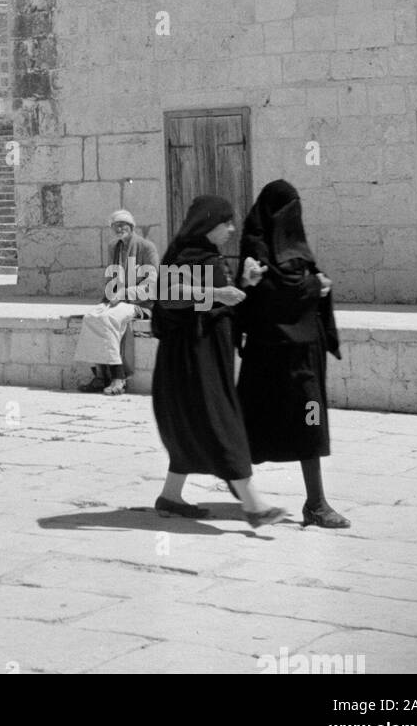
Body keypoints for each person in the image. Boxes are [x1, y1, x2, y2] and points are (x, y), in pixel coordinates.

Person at [150, 194, 286, 527]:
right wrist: (217, 294)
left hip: (207, 357)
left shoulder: (209, 255)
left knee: (196, 426)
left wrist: (242, 285)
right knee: (220, 424)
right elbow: (169, 296)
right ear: (208, 224)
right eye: (225, 222)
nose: (231, 228)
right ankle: (254, 506)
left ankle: (170, 496)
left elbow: (220, 303)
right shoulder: (186, 254)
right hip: (191, 360)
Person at [234, 180, 349, 529]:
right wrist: (315, 286)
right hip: (269, 355)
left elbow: (302, 278)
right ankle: (246, 498)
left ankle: (315, 503)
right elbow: (270, 293)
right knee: (248, 427)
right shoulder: (257, 245)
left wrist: (318, 282)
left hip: (304, 356)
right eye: (288, 210)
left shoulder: (295, 244)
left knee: (310, 423)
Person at [77, 210, 158, 394]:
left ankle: (118, 377)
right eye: (116, 225)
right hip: (117, 300)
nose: (120, 228)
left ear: (132, 226)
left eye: (124, 224)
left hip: (141, 303)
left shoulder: (147, 247)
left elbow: (152, 285)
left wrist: (124, 294)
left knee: (110, 319)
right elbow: (112, 278)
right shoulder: (114, 247)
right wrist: (107, 299)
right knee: (91, 317)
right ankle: (100, 375)